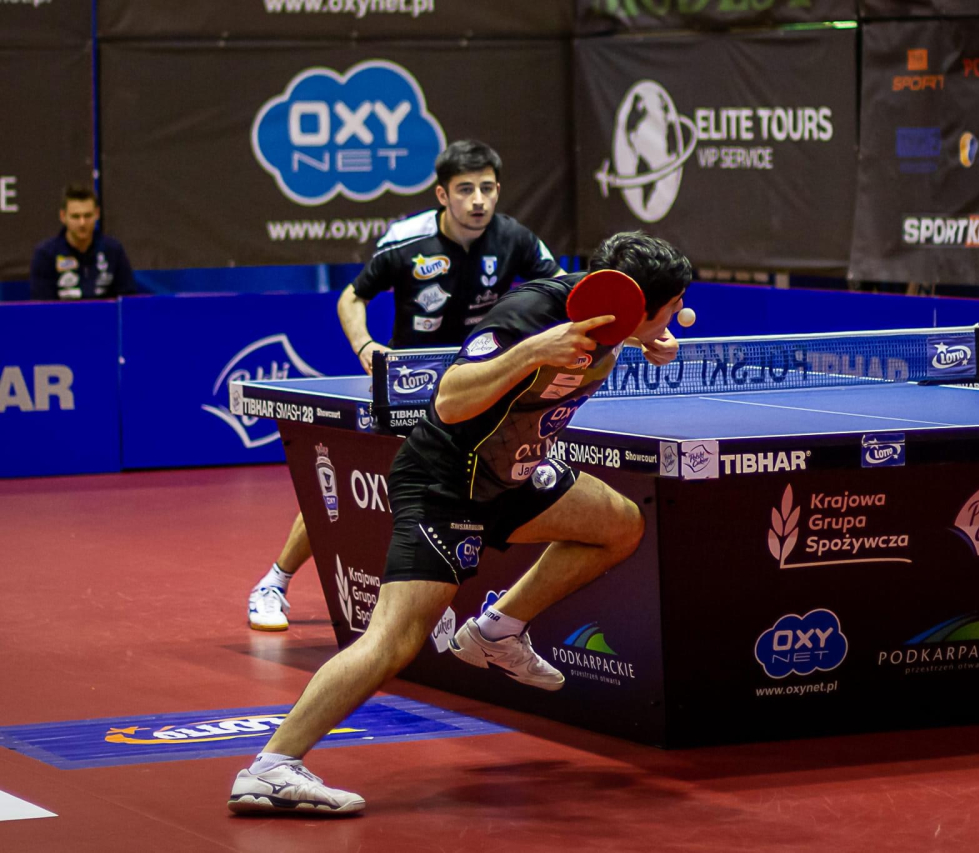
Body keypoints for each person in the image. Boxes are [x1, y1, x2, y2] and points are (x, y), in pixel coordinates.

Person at [228, 231, 690, 815]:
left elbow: (624, 327)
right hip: (446, 486)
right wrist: (533, 351)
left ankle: (497, 631)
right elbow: (448, 399)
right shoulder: (532, 313)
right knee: (393, 641)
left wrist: (646, 334)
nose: (683, 315)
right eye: (674, 306)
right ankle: (271, 767)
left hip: (514, 476)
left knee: (619, 524)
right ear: (638, 303)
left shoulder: (614, 319)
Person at [248, 140, 564, 631]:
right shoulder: (406, 241)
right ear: (443, 194)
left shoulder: (515, 239)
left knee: (495, 485)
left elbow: (565, 291)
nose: (478, 200)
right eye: (465, 190)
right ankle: (274, 582)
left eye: (487, 189)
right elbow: (352, 297)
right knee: (356, 487)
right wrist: (364, 346)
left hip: (479, 385)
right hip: (409, 386)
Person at [29, 184, 136, 301]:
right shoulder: (46, 254)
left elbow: (127, 301)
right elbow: (42, 305)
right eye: (75, 216)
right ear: (63, 216)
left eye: (87, 215)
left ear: (97, 214)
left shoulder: (113, 250)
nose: (82, 223)